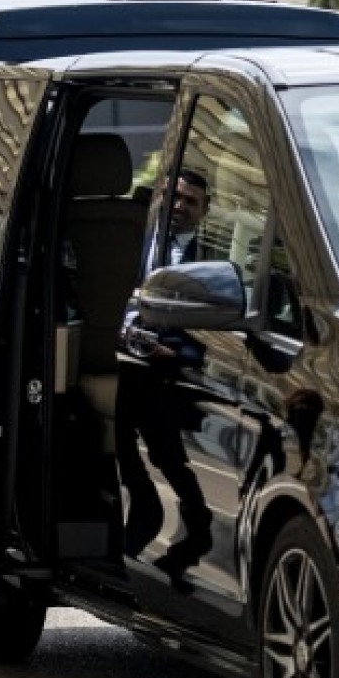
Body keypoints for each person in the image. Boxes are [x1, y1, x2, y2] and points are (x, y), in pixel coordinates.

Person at [116, 168, 213, 586]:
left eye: (190, 202)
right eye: (173, 196)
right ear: (158, 196)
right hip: (114, 353)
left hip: (165, 367)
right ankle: (142, 503)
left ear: (204, 212)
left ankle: (191, 518)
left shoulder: (209, 260)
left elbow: (209, 331)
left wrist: (175, 354)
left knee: (163, 445)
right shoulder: (129, 239)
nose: (179, 206)